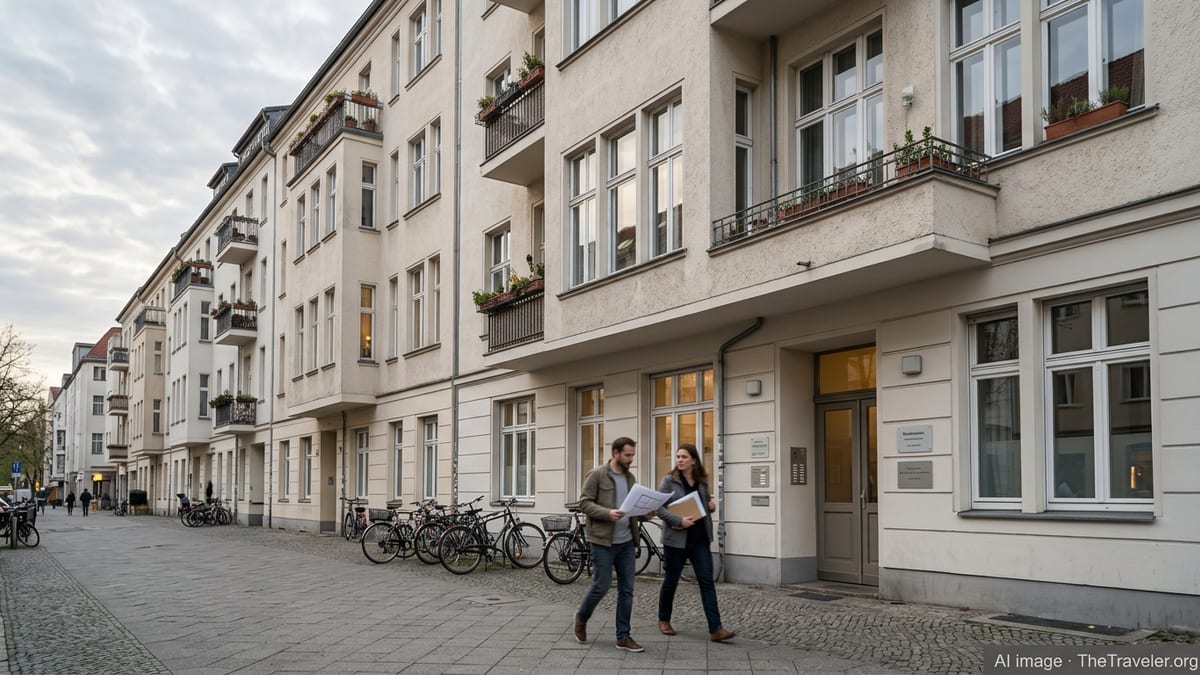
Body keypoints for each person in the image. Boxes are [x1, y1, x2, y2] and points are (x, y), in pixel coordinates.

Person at [655, 444, 735, 642]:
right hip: (676, 540)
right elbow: (659, 508)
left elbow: (704, 505)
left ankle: (716, 629)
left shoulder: (701, 481)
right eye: (678, 456)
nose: (680, 460)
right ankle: (664, 619)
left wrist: (711, 506)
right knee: (671, 581)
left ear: (693, 460)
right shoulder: (669, 481)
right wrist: (678, 520)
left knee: (706, 581)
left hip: (699, 539)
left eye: (684, 457)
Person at [573, 436, 646, 653]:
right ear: (615, 453)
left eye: (632, 455)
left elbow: (632, 510)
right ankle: (581, 617)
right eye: (627, 455)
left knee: (627, 590)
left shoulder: (631, 479)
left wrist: (646, 514)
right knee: (601, 586)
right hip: (602, 542)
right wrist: (607, 513)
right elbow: (584, 503)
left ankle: (623, 636)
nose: (631, 459)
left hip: (625, 543)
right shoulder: (597, 475)